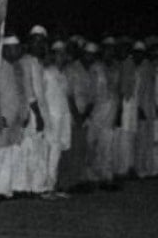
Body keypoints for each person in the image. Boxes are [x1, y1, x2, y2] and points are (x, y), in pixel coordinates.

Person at [0, 36, 29, 198]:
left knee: (13, 152)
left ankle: (8, 188)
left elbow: (23, 92)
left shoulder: (18, 67)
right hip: (4, 116)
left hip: (17, 117)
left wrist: (25, 113)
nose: (18, 51)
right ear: (5, 49)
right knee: (0, 153)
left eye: (18, 48)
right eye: (14, 48)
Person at [15, 25, 50, 195]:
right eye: (35, 42)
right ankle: (26, 187)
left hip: (41, 111)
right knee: (29, 150)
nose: (38, 45)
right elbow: (29, 91)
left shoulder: (39, 62)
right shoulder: (25, 61)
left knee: (37, 150)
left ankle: (36, 186)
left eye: (41, 42)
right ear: (29, 43)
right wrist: (37, 115)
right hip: (32, 113)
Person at [58, 40, 94, 191]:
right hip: (73, 116)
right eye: (87, 54)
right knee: (70, 150)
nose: (90, 57)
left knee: (81, 149)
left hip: (85, 116)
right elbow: (69, 95)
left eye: (92, 55)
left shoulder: (92, 72)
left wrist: (85, 114)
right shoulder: (71, 69)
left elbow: (93, 97)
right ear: (82, 54)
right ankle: (66, 183)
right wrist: (77, 115)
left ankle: (76, 180)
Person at [86, 41, 119, 189]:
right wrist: (88, 113)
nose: (109, 53)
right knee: (90, 145)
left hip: (110, 113)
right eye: (107, 50)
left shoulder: (117, 68)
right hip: (96, 112)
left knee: (107, 147)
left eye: (112, 50)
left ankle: (107, 178)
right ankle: (90, 177)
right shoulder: (96, 68)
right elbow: (91, 92)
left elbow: (117, 91)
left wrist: (117, 113)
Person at [42, 41, 72, 198]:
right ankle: (48, 187)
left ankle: (54, 185)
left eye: (63, 53)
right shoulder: (47, 72)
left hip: (63, 116)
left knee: (59, 151)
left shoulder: (64, 75)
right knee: (51, 151)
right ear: (53, 55)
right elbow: (43, 97)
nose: (61, 56)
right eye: (58, 53)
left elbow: (65, 97)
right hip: (51, 117)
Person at [114, 37, 137, 177]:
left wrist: (119, 111)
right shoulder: (128, 63)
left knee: (124, 138)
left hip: (125, 104)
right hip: (128, 105)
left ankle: (123, 169)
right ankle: (127, 167)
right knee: (127, 138)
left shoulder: (127, 64)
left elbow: (124, 89)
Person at [132, 41, 155, 177]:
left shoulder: (146, 67)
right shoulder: (138, 66)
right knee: (140, 140)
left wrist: (140, 107)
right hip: (141, 108)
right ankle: (142, 168)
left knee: (145, 140)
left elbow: (145, 90)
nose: (138, 55)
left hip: (146, 108)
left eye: (140, 53)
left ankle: (144, 169)